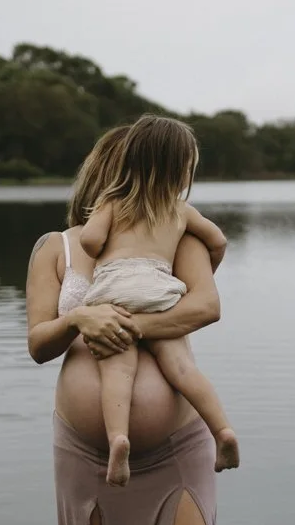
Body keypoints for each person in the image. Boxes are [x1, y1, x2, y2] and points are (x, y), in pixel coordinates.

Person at [26, 123, 232, 525]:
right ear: (104, 175)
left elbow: (205, 304)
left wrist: (134, 325)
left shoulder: (171, 231)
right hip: (87, 454)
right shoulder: (55, 249)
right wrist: (81, 317)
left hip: (175, 449)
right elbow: (38, 343)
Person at [79, 115, 239, 486]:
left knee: (118, 372)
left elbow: (89, 241)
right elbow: (218, 241)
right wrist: (203, 269)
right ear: (183, 171)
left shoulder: (113, 200)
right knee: (184, 369)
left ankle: (119, 439)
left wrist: (103, 244)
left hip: (116, 291)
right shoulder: (181, 211)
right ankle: (223, 431)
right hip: (160, 290)